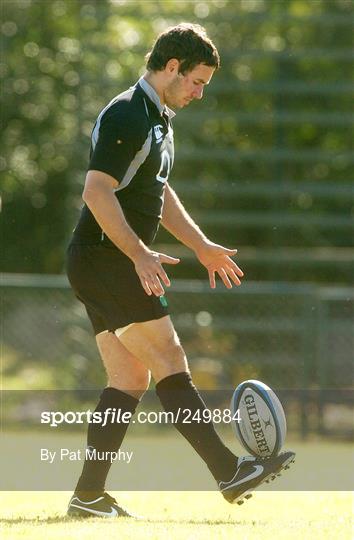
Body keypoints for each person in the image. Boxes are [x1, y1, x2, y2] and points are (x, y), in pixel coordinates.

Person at [66, 23, 294, 518]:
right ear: (171, 67)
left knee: (128, 378)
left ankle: (87, 496)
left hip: (99, 259)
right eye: (197, 81)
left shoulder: (158, 119)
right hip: (107, 258)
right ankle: (228, 472)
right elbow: (96, 191)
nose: (200, 92)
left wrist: (203, 246)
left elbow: (159, 194)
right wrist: (139, 255)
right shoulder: (128, 113)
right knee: (170, 358)